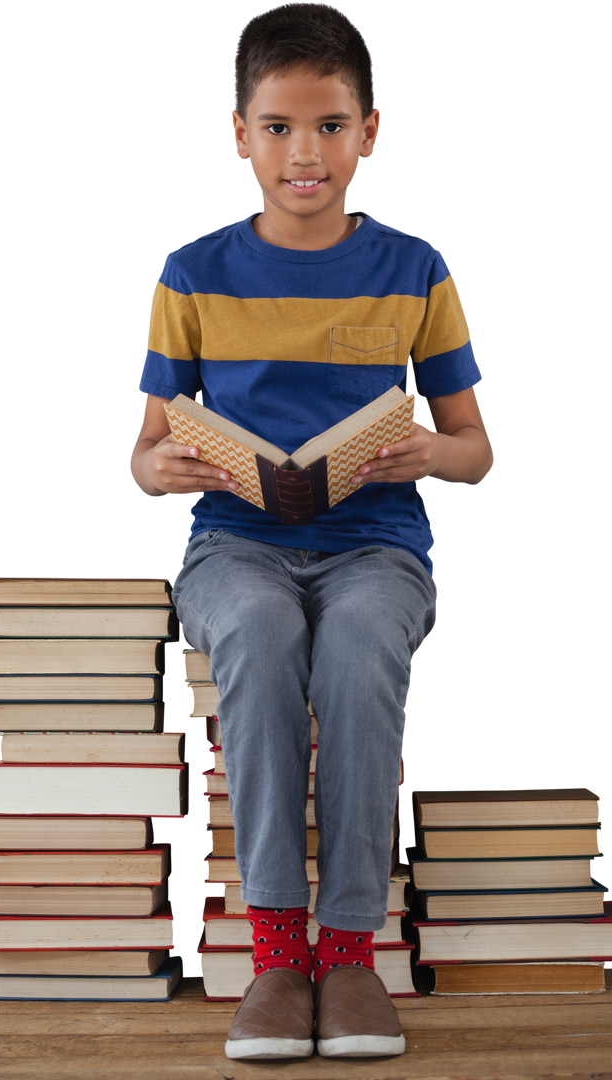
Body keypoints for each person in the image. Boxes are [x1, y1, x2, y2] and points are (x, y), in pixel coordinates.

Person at [129, 1, 495, 1061]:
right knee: (257, 632)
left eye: (330, 127)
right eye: (280, 127)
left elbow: (476, 448)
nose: (305, 153)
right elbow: (142, 455)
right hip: (231, 543)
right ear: (238, 133)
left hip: (377, 543)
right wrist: (162, 469)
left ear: (370, 132)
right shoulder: (188, 271)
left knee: (356, 647)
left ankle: (348, 952)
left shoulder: (417, 266)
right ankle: (276, 953)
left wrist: (431, 451)